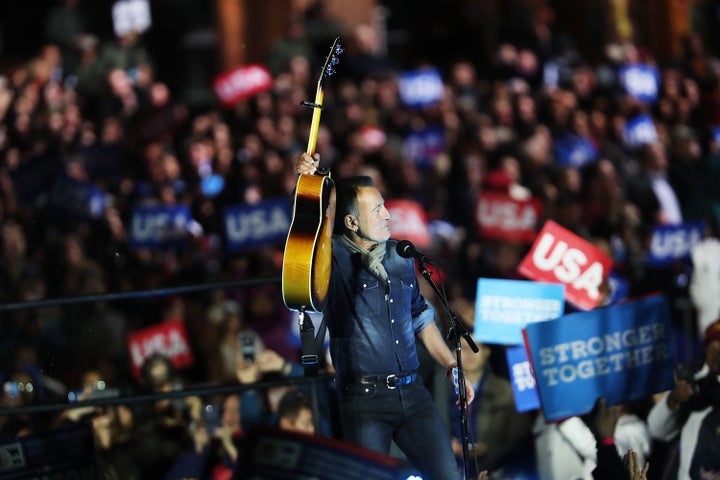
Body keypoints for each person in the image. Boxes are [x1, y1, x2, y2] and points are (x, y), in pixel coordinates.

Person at [293, 152, 474, 480]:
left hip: (414, 394)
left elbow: (420, 317)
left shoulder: (400, 256)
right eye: (377, 209)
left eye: (384, 205)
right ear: (351, 222)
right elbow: (308, 229)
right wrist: (308, 180)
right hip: (364, 402)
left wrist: (451, 366)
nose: (388, 214)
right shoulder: (334, 259)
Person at [647, 319, 720, 480]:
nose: (717, 355)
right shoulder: (691, 387)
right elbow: (656, 429)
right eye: (712, 348)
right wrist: (673, 400)